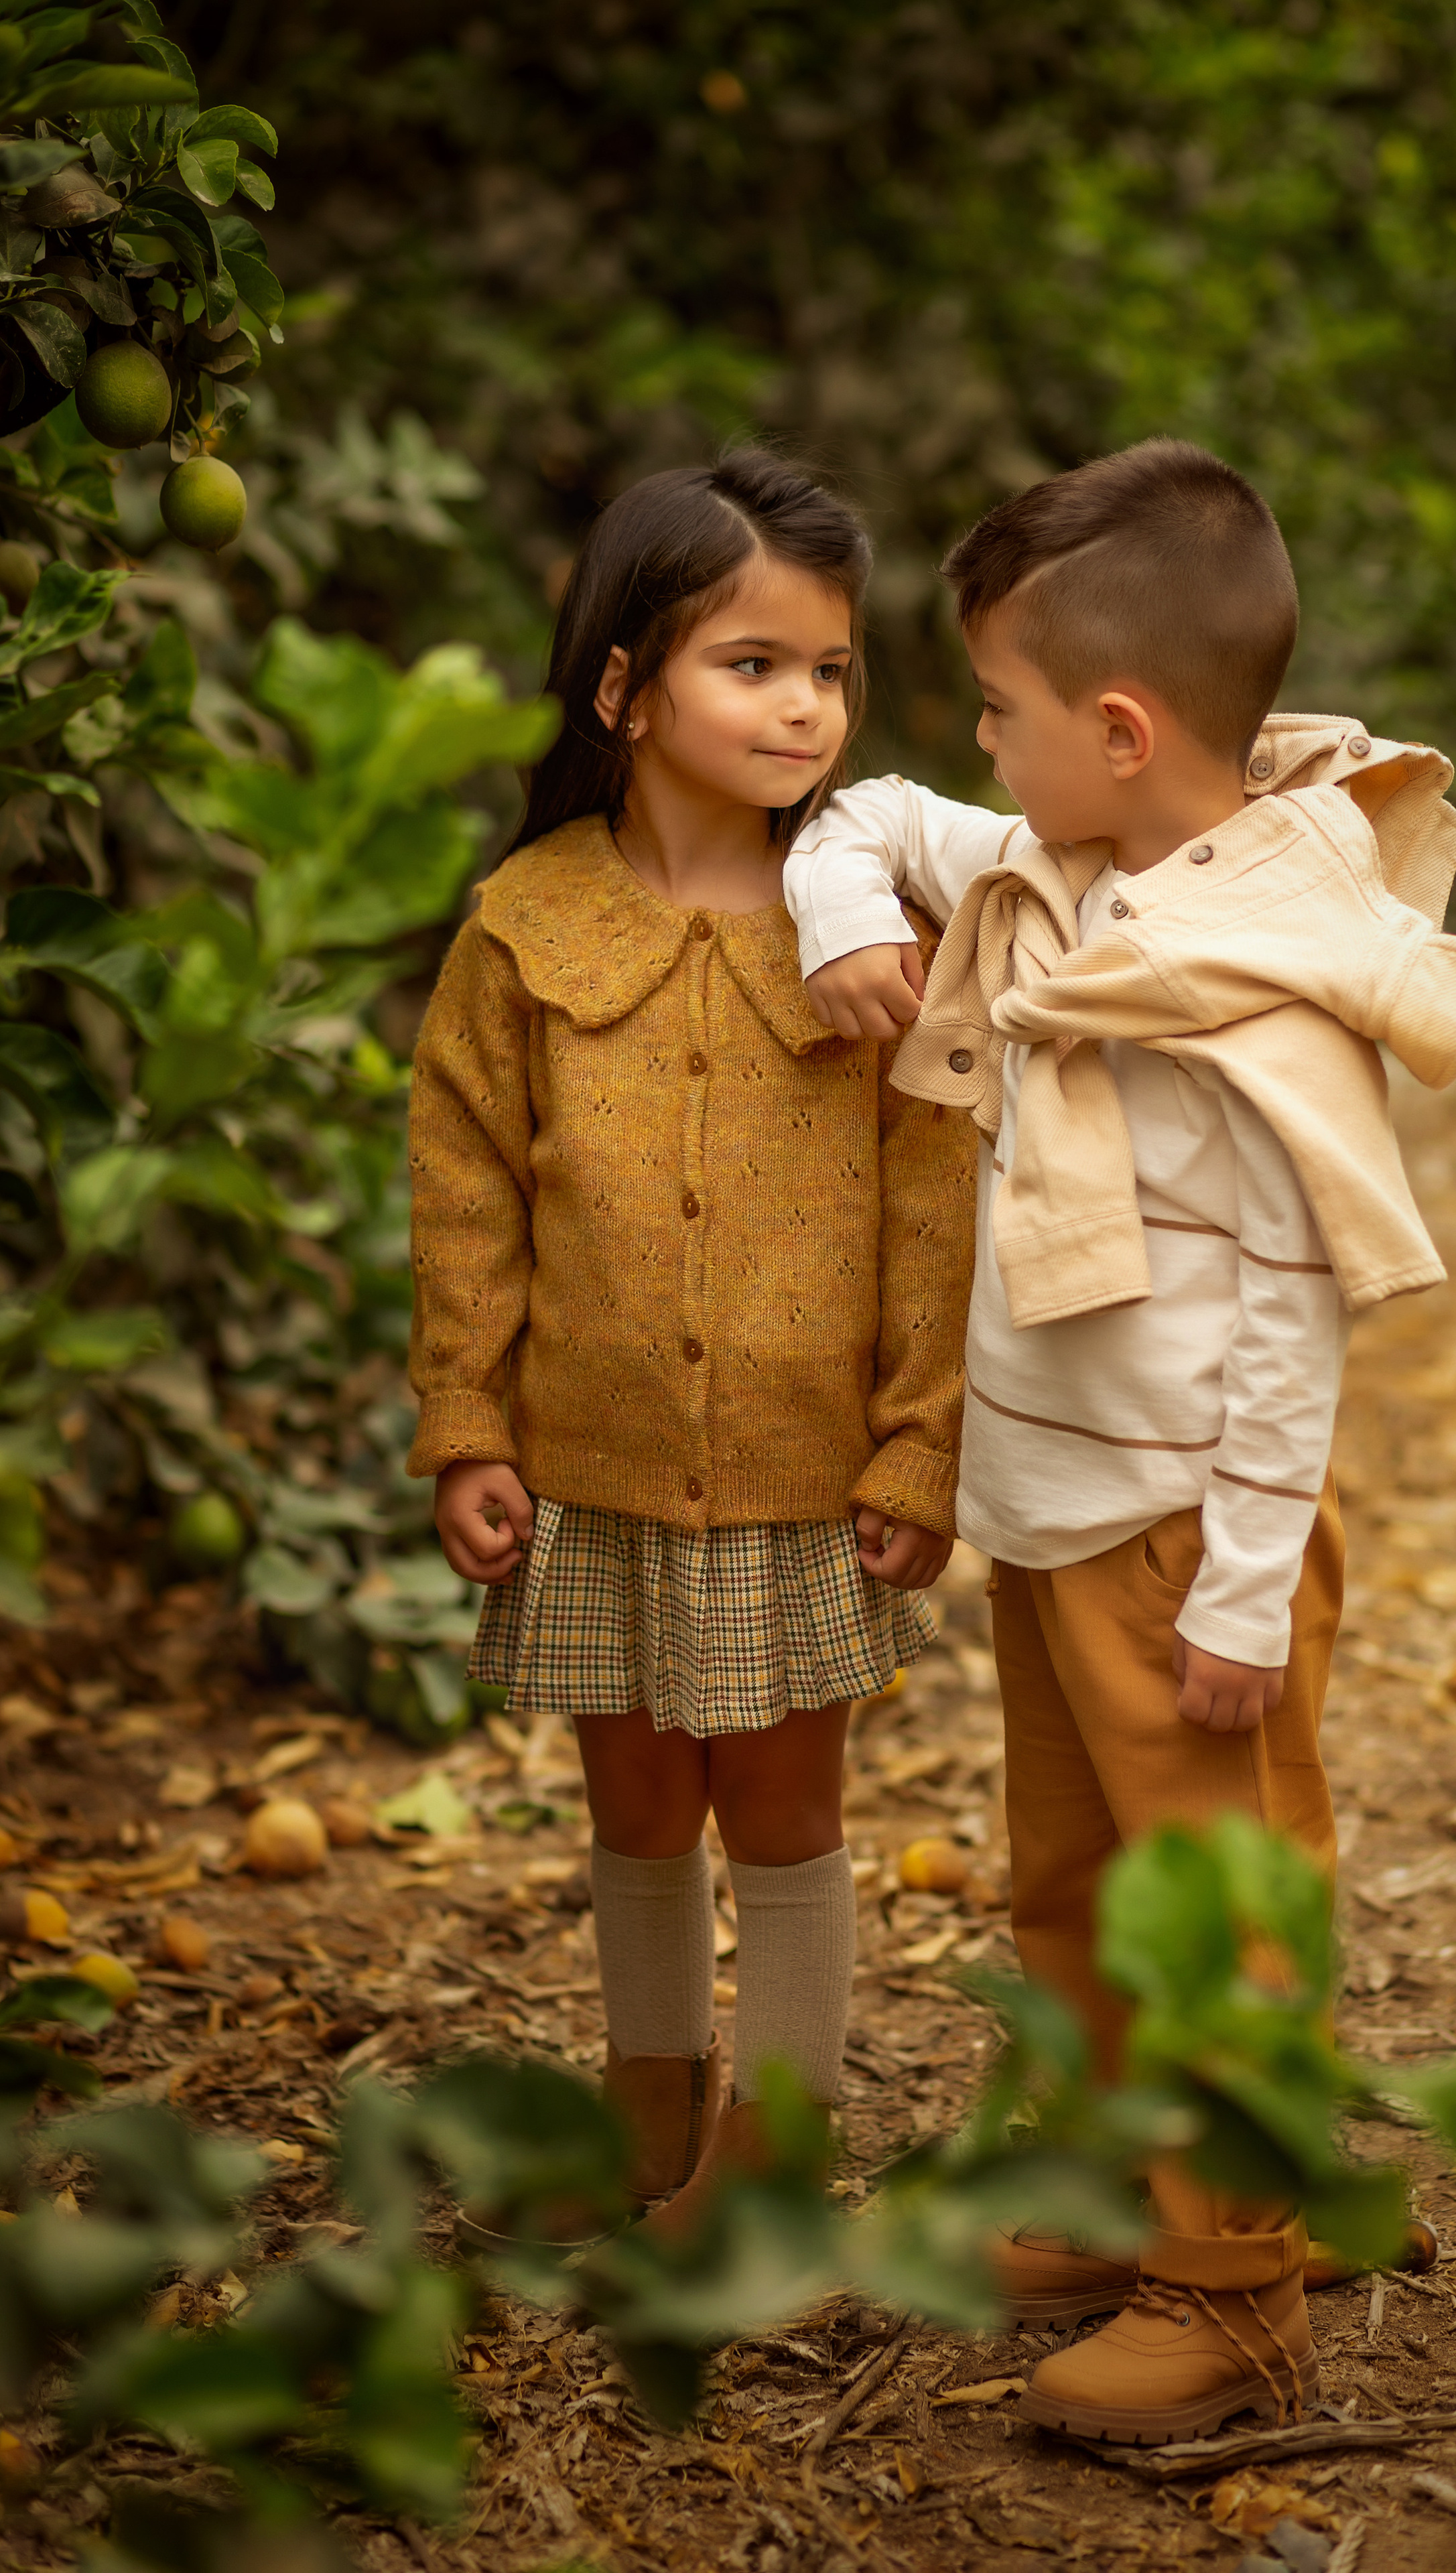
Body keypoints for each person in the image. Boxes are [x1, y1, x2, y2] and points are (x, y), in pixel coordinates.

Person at [783, 438, 1456, 2442]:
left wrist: (1248, 1592)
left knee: (1211, 1917)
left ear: (1116, 731)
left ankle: (1235, 2288)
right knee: (1079, 1894)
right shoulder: (1067, 871)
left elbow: (1294, 1323)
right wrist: (841, 914)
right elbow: (867, 816)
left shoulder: (1252, 1001)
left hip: (1187, 1534)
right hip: (1051, 1509)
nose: (975, 747)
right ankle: (1130, 2192)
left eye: (996, 712)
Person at [405, 451, 974, 2235]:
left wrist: (921, 1438)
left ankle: (779, 2150)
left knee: (785, 1807)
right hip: (593, 1466)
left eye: (831, 671)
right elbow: (466, 1192)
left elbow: (937, 1204)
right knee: (639, 1797)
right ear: (624, 690)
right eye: (754, 664)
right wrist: (466, 1421)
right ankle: (646, 2105)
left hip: (807, 1475)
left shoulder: (875, 939)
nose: (805, 706)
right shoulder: (526, 928)